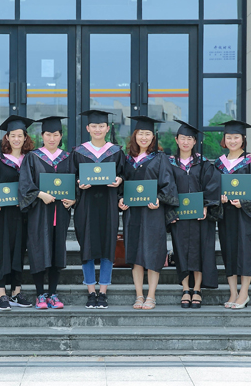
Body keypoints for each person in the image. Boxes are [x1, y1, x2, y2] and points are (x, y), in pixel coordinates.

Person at [119, 116, 178, 310]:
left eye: (147, 134)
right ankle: (139, 295)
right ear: (134, 136)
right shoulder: (126, 159)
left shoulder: (160, 158)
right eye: (140, 134)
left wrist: (159, 199)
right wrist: (120, 199)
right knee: (134, 253)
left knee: (153, 253)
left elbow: (169, 185)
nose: (143, 137)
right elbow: (121, 184)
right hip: (133, 214)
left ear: (153, 136)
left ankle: (151, 296)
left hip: (153, 213)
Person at [18, 116, 75, 309]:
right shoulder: (32, 157)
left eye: (56, 135)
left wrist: (74, 199)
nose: (52, 138)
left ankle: (53, 293)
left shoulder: (68, 157)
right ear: (42, 136)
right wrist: (40, 194)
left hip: (60, 213)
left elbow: (75, 183)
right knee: (38, 251)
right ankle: (40, 294)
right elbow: (25, 185)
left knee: (57, 251)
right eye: (48, 135)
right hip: (39, 213)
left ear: (61, 136)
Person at [207, 120, 251, 310]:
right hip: (227, 215)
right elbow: (213, 188)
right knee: (229, 251)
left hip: (245, 215)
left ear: (243, 139)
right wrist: (219, 199)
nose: (232, 141)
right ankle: (233, 292)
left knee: (246, 252)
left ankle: (244, 293)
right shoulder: (218, 163)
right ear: (224, 139)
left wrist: (244, 202)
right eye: (229, 137)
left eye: (236, 137)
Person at [71, 109, 125, 309]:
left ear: (107, 128)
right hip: (86, 206)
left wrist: (120, 180)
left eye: (101, 126)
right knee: (87, 246)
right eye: (94, 126)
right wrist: (78, 184)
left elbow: (124, 175)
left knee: (107, 246)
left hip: (108, 205)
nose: (97, 129)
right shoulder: (78, 152)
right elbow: (71, 178)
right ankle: (91, 291)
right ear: (87, 128)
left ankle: (103, 292)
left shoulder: (116, 152)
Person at [0, 115, 35, 311]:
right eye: (12, 135)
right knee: (1, 251)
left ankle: (16, 292)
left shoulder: (30, 160)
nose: (16, 139)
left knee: (18, 252)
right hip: (2, 216)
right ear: (6, 137)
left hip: (22, 215)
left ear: (25, 138)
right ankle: (1, 294)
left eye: (20, 135)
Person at [167, 120, 218, 309]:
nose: (186, 142)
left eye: (189, 138)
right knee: (181, 251)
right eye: (182, 138)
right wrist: (171, 209)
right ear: (176, 140)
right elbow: (166, 187)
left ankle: (197, 289)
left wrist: (205, 205)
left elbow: (212, 186)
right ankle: (185, 289)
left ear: (195, 141)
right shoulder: (169, 163)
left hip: (199, 217)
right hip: (179, 216)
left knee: (200, 251)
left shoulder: (203, 163)